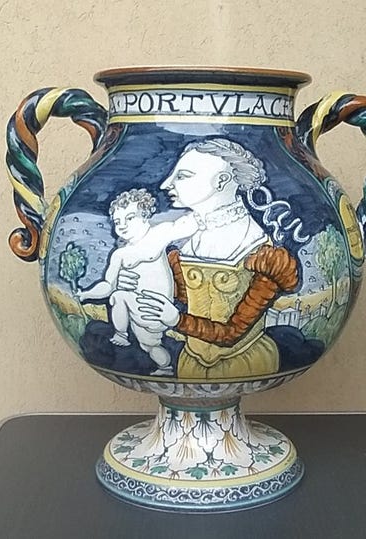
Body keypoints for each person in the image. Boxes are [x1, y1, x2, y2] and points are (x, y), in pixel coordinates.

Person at [117, 139, 301, 380]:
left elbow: (232, 334)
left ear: (221, 181)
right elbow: (177, 299)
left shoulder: (260, 252)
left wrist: (177, 320)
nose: (166, 184)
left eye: (182, 175)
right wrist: (139, 282)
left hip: (244, 363)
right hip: (189, 362)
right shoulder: (184, 245)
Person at [78, 188, 199, 376]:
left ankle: (121, 334)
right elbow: (107, 285)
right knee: (150, 346)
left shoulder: (158, 234)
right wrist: (87, 294)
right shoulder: (120, 255)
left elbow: (185, 226)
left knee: (119, 296)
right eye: (117, 222)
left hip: (159, 307)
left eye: (130, 218)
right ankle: (165, 368)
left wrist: (200, 213)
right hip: (138, 311)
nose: (123, 225)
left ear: (145, 216)